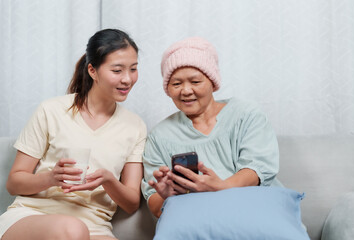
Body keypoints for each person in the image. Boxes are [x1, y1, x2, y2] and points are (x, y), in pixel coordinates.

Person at [0, 29, 147, 240]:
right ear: (92, 70)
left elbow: (132, 203)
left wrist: (109, 181)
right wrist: (51, 178)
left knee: (78, 230)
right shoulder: (51, 110)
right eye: (117, 70)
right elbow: (14, 183)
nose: (127, 79)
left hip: (94, 226)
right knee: (73, 230)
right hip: (33, 217)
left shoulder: (135, 126)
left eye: (133, 69)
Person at [141, 37, 281, 218]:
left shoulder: (245, 114)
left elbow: (258, 169)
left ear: (212, 82)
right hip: (200, 223)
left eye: (195, 81)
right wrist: (167, 196)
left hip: (255, 212)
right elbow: (154, 204)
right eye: (176, 84)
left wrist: (220, 187)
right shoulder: (159, 136)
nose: (185, 90)